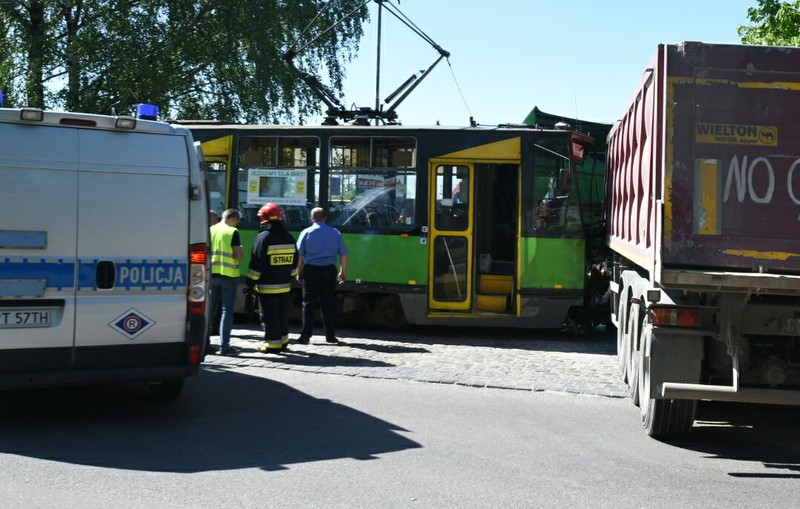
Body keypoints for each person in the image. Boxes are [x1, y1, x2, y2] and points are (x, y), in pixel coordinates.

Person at [245, 203, 298, 353]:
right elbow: (294, 262)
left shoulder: (263, 238)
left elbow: (257, 262)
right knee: (282, 314)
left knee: (269, 315)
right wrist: (289, 277)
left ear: (263, 218)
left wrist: (250, 281)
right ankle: (283, 340)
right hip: (285, 285)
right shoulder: (289, 237)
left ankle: (272, 344)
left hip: (267, 286)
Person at [295, 207, 348, 345]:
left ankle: (305, 336)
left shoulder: (306, 232)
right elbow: (343, 254)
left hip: (311, 270)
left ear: (312, 218)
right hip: (329, 270)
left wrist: (298, 271)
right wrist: (343, 272)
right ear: (325, 217)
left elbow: (300, 255)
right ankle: (330, 336)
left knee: (308, 303)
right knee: (328, 303)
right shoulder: (335, 232)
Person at [209, 208, 242, 355]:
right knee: (226, 311)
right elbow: (237, 255)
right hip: (228, 275)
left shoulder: (211, 229)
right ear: (234, 219)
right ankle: (225, 346)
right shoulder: (232, 232)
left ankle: (205, 344)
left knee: (209, 310)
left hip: (212, 275)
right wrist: (241, 250)